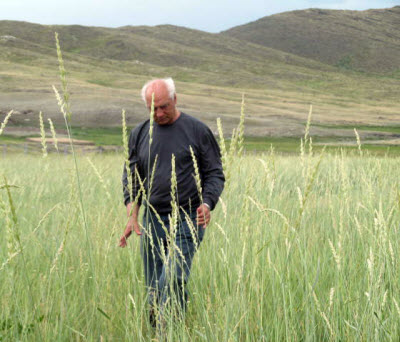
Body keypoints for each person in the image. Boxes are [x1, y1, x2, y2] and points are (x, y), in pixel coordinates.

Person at [119, 77, 225, 326]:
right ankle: (160, 330)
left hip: (188, 217)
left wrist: (207, 203)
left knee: (173, 276)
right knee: (154, 284)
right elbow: (133, 179)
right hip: (153, 219)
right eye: (152, 108)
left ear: (175, 99)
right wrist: (132, 217)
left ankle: (172, 330)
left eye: (164, 106)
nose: (158, 113)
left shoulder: (197, 131)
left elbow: (214, 173)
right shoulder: (139, 133)